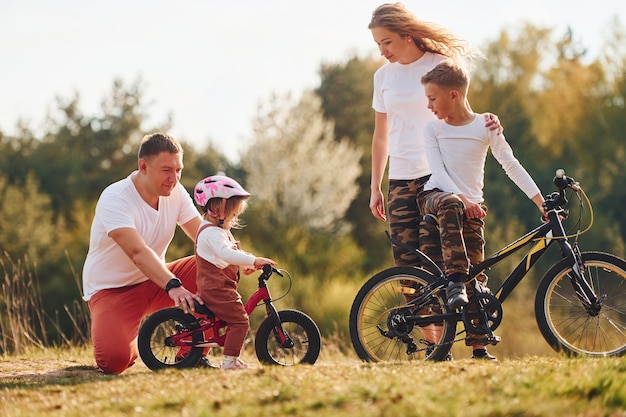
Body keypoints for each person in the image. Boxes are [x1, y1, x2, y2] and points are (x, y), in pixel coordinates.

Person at [367, 2, 501, 357]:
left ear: (406, 35)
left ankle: (477, 341)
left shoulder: (439, 65)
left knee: (453, 259)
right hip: (399, 181)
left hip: (437, 178)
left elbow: (460, 108)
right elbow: (381, 136)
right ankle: (434, 346)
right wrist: (375, 185)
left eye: (387, 42)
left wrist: (488, 123)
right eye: (378, 44)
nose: (382, 51)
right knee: (409, 269)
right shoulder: (382, 78)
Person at [418, 60, 546, 360]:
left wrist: (540, 201)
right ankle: (453, 283)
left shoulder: (484, 126)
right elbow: (437, 171)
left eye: (432, 98)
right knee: (451, 205)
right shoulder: (433, 128)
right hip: (436, 197)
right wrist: (462, 199)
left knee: (475, 275)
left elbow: (510, 164)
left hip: (471, 210)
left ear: (453, 95)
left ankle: (479, 345)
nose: (428, 105)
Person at [82, 132, 205, 374]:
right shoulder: (115, 197)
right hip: (112, 290)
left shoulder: (176, 192)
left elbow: (204, 236)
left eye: (178, 170)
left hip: (155, 282)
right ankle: (126, 336)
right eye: (166, 170)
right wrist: (173, 285)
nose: (174, 178)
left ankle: (192, 354)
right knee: (115, 362)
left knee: (220, 265)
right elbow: (137, 252)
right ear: (143, 166)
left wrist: (240, 256)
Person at [193, 175, 276, 370]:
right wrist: (254, 260)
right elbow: (225, 253)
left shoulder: (219, 230)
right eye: (233, 213)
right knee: (240, 320)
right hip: (216, 289)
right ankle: (229, 362)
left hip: (220, 287)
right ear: (216, 210)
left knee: (235, 319)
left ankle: (232, 359)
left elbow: (233, 252)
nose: (235, 218)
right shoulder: (211, 233)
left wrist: (250, 261)